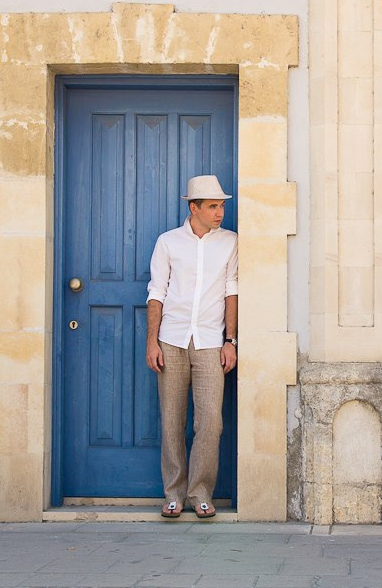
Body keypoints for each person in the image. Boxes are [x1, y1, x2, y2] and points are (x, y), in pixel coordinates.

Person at [145, 175, 238, 519]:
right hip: (171, 339)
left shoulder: (230, 242)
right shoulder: (168, 242)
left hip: (211, 342)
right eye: (213, 206)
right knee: (171, 420)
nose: (220, 212)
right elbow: (157, 291)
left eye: (222, 205)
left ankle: (200, 493)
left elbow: (232, 291)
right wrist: (151, 341)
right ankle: (173, 493)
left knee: (211, 421)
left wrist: (231, 340)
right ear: (193, 208)